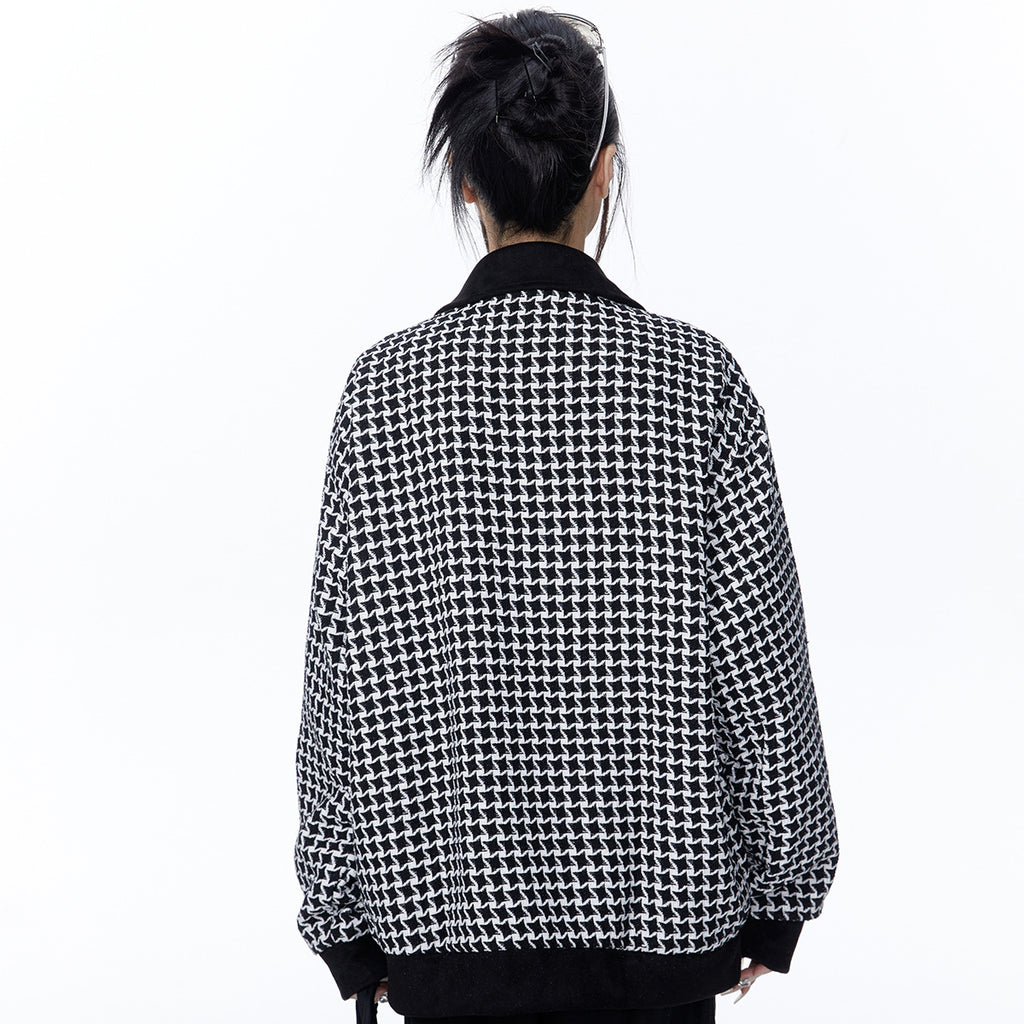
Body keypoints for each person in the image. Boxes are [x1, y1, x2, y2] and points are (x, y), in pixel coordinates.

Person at [292, 9, 840, 1024]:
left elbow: (342, 685)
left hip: (445, 940)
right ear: (605, 174)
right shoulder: (696, 384)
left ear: (466, 180)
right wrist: (781, 899)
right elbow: (763, 670)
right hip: (662, 945)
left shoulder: (384, 394)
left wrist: (342, 924)